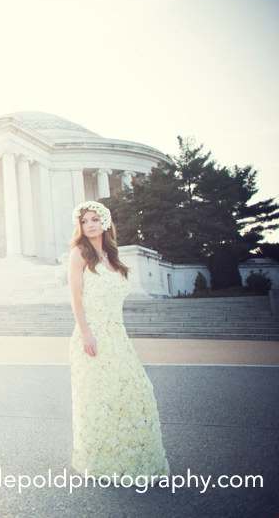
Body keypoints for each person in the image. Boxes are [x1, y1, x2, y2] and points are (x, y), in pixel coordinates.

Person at [67, 200, 169, 480]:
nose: (90, 225)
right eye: (85, 221)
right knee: (100, 398)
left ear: (105, 223)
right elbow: (75, 297)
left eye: (94, 220)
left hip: (117, 335)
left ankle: (131, 455)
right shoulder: (79, 254)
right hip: (92, 335)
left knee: (135, 392)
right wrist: (86, 332)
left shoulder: (113, 258)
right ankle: (102, 458)